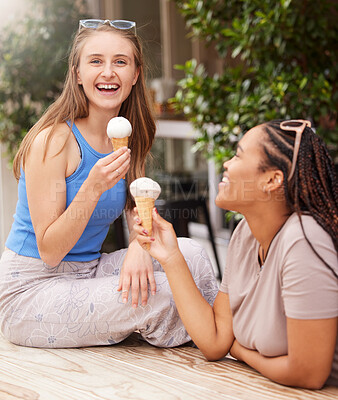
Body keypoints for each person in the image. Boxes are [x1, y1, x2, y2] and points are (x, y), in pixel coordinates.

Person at [0, 19, 218, 348]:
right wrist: (91, 187)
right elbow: (49, 252)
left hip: (90, 271)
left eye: (120, 61)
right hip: (32, 289)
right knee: (164, 295)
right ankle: (223, 341)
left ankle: (221, 335)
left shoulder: (127, 136)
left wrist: (137, 248)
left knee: (192, 255)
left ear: (135, 74)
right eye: (96, 61)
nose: (108, 72)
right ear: (77, 74)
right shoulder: (54, 141)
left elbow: (136, 212)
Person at [135, 119, 338, 388]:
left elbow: (308, 373)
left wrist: (242, 352)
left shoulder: (304, 239)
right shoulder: (245, 235)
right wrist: (170, 257)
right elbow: (216, 340)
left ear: (272, 180)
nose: (227, 164)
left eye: (239, 154)